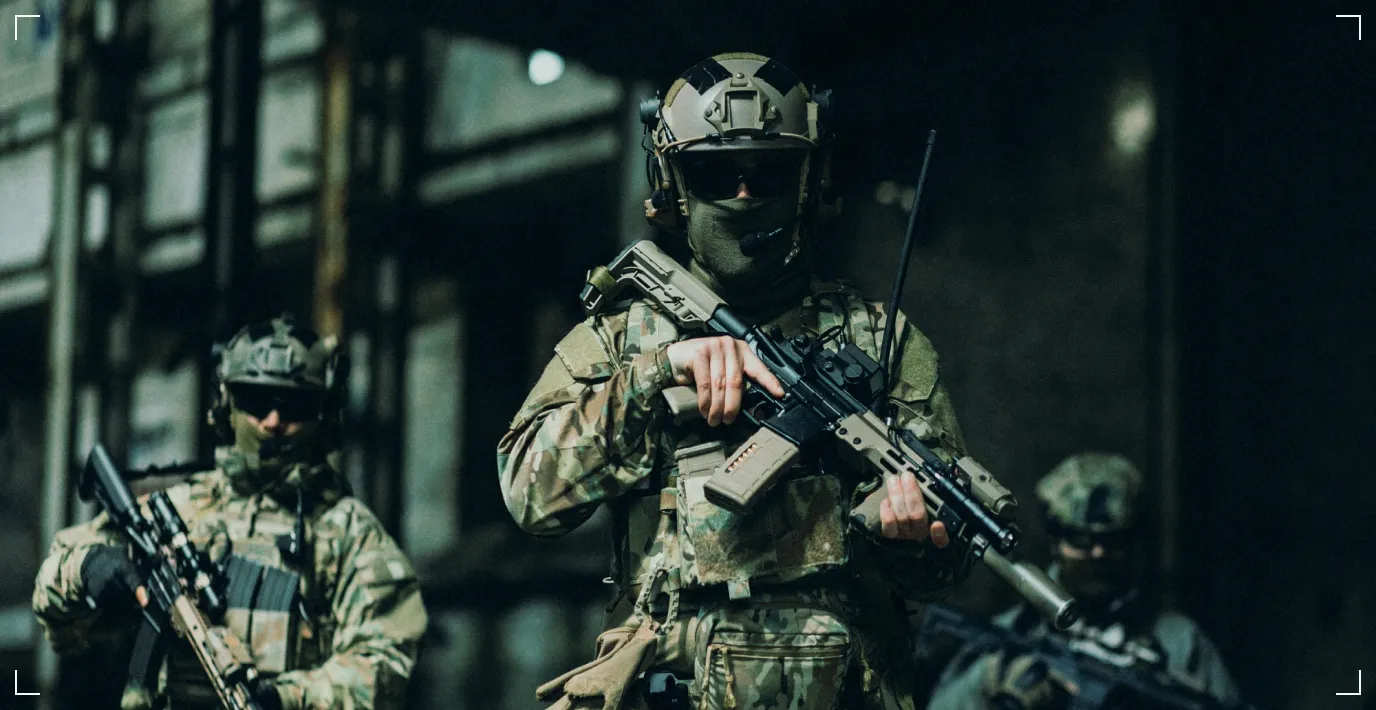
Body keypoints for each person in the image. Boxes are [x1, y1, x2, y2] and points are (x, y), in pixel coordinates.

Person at [498, 52, 983, 710]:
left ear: (809, 180)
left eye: (769, 171)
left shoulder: (880, 342)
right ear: (673, 184)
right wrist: (654, 377)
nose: (744, 195)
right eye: (716, 173)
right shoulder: (620, 341)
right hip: (670, 686)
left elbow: (943, 571)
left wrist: (910, 537)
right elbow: (529, 498)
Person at [33, 314, 427, 710]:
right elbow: (51, 602)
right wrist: (87, 569)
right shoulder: (178, 509)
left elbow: (384, 665)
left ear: (322, 414)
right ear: (227, 404)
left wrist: (286, 697)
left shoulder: (349, 533)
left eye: (294, 405)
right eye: (256, 400)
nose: (272, 422)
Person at [925, 452, 1242, 710]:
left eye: (1113, 541)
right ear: (1055, 542)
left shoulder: (1179, 641)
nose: (1098, 554)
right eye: (1080, 540)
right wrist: (986, 686)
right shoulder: (1013, 634)